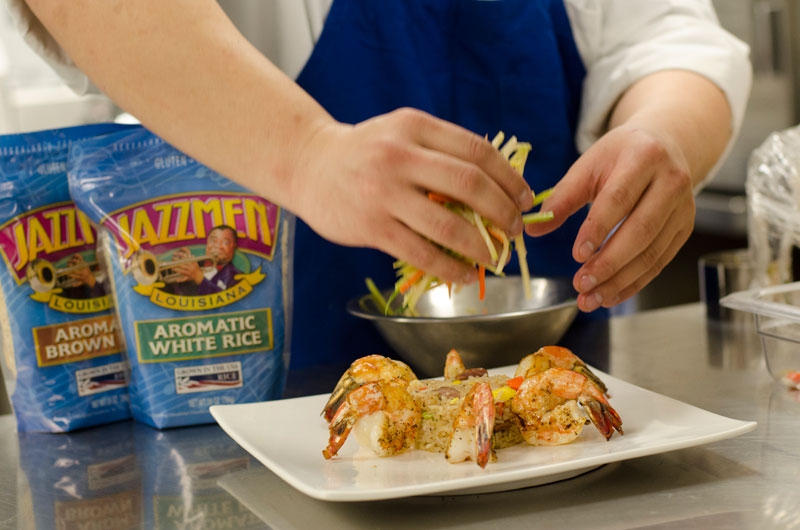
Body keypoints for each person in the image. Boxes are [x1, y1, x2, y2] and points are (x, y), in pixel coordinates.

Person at [6, 1, 751, 368]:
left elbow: (666, 36)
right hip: (253, 416)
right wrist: (306, 154)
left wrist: (664, 133)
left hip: (554, 416)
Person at [167, 225, 243, 296]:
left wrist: (200, 279)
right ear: (207, 243)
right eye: (213, 241)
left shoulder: (238, 277)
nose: (218, 246)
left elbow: (230, 304)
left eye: (225, 242)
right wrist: (178, 264)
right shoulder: (194, 264)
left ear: (234, 246)